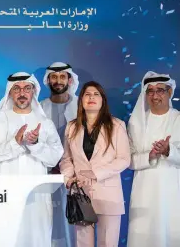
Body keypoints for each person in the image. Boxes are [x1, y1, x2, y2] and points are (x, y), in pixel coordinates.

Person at [0, 72, 64, 247]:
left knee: (37, 239)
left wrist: (35, 144)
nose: (22, 93)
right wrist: (16, 143)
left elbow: (54, 157)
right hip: (6, 194)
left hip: (38, 196)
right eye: (17, 89)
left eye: (27, 88)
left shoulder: (45, 122)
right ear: (10, 93)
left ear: (33, 91)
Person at [59, 81, 130, 247]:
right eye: (87, 94)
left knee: (108, 242)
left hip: (108, 195)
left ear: (103, 100)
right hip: (80, 195)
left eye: (96, 94)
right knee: (83, 243)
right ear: (81, 100)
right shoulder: (71, 127)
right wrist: (68, 177)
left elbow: (124, 159)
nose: (91, 97)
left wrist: (96, 173)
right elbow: (66, 159)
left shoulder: (117, 125)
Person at [127, 72, 180, 247]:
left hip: (172, 190)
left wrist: (168, 151)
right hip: (144, 190)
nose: (155, 95)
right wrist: (148, 156)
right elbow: (128, 161)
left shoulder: (178, 119)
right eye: (150, 91)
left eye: (160, 90)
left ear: (170, 92)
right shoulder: (135, 122)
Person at [40, 62, 79, 247]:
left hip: (75, 175)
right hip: (46, 173)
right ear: (48, 80)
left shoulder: (81, 106)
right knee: (46, 220)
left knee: (73, 221)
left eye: (62, 76)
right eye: (54, 77)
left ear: (69, 80)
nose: (58, 81)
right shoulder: (39, 108)